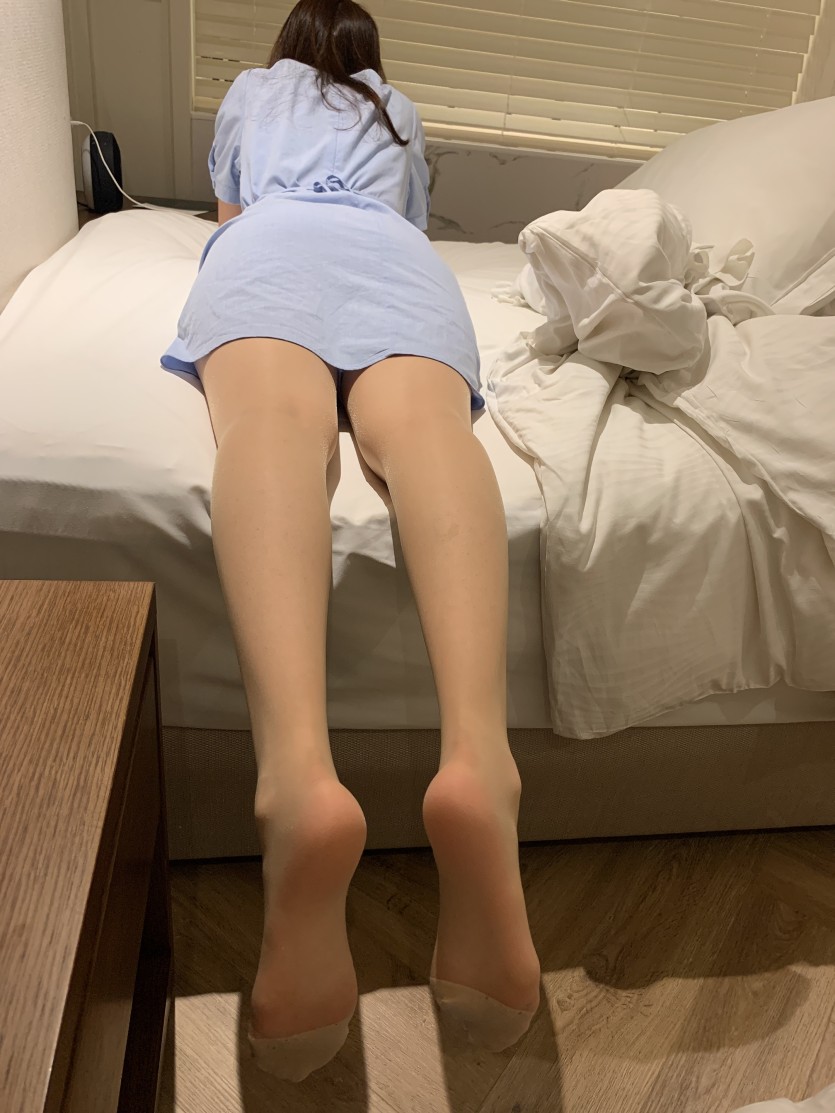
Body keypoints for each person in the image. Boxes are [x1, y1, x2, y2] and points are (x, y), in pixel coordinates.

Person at [159, 0, 540, 1082]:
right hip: (394, 266)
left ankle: (296, 777)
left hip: (269, 251)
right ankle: (480, 760)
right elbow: (406, 223)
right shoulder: (396, 111)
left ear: (289, 42)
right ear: (369, 56)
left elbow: (232, 208)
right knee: (424, 434)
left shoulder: (250, 91)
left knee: (275, 428)